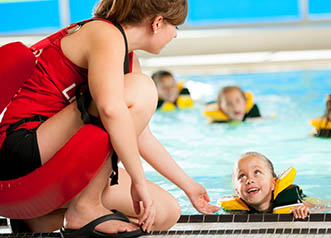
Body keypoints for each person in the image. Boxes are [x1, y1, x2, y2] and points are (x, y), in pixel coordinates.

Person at [0, 0, 219, 236]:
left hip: (54, 161)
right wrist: (138, 180)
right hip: (23, 148)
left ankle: (41, 221)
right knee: (140, 89)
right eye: (176, 27)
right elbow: (110, 110)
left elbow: (140, 135)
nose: (175, 35)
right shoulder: (104, 33)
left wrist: (188, 186)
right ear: (157, 23)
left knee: (165, 212)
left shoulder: (129, 58)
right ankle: (85, 206)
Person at [218, 152, 312, 219]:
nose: (249, 180)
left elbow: (323, 209)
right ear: (237, 191)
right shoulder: (232, 211)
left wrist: (305, 210)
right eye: (242, 176)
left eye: (257, 172)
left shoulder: (295, 202)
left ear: (273, 183)